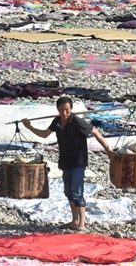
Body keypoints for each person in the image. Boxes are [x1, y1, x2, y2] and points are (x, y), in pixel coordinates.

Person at [22, 96, 115, 231]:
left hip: (78, 162)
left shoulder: (77, 121)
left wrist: (108, 150)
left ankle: (82, 224)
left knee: (77, 193)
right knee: (68, 193)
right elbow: (44, 135)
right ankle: (74, 221)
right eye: (61, 110)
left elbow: (96, 133)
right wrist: (29, 127)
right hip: (65, 162)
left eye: (67, 110)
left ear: (71, 109)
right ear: (58, 110)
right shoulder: (57, 121)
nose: (64, 113)